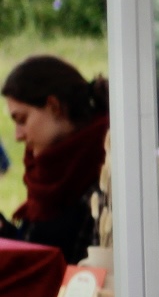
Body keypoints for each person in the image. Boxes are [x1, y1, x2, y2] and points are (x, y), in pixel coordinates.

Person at [0, 56, 107, 259]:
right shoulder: (49, 170)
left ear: (54, 106)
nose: (17, 135)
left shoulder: (108, 175)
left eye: (22, 119)